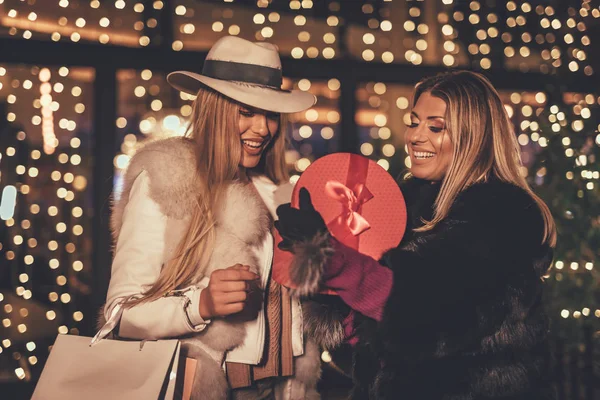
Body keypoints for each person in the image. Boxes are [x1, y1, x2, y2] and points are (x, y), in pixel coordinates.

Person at [275, 70, 557, 399]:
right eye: (413, 122)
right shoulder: (408, 210)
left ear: (473, 137)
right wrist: (345, 318)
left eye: (435, 127)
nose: (415, 136)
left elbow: (425, 312)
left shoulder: (500, 216)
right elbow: (377, 347)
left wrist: (330, 257)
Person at [103, 36, 322, 400]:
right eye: (246, 111)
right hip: (212, 386)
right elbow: (119, 315)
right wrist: (199, 305)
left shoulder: (279, 192)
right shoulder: (169, 178)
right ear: (214, 109)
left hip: (284, 389)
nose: (263, 129)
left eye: (270, 114)